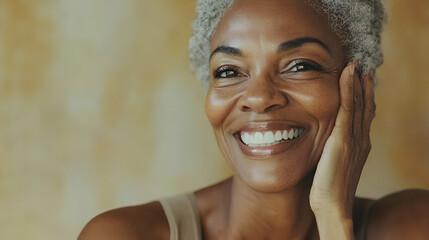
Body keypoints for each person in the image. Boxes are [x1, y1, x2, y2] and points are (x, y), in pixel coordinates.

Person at [78, 0, 429, 239]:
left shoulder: (411, 225)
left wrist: (333, 219)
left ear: (359, 86)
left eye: (300, 66)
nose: (259, 97)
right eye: (229, 71)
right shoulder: (123, 235)